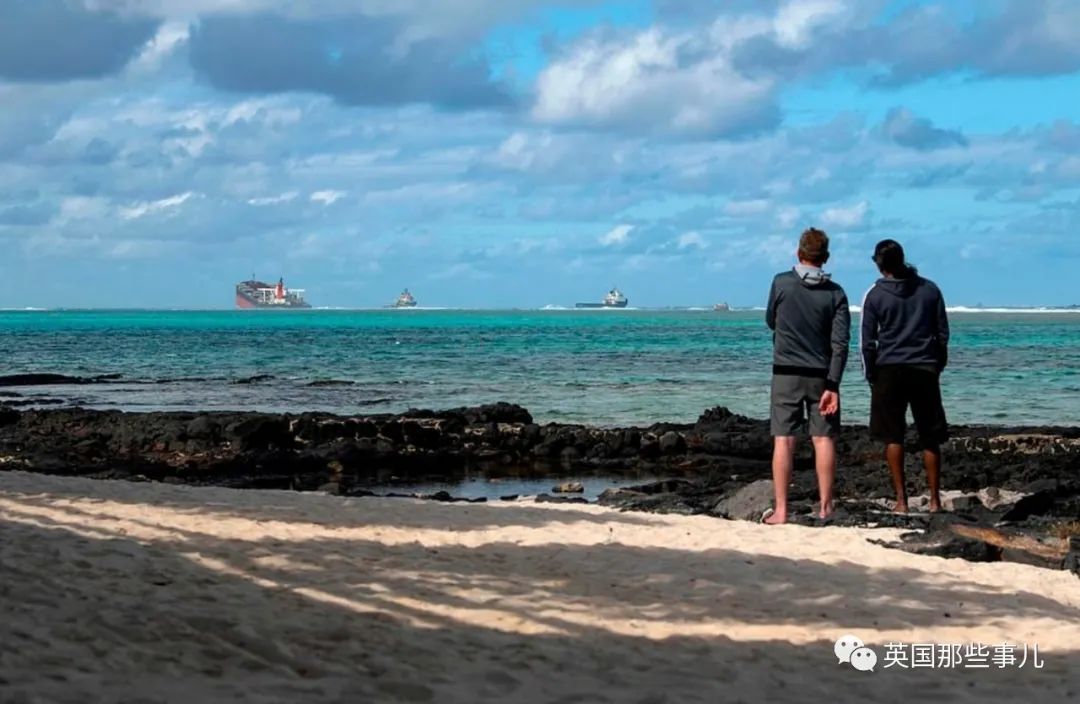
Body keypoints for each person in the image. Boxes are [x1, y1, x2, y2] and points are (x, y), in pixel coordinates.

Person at [763, 227, 851, 524]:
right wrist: (833, 384)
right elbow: (840, 344)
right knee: (823, 440)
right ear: (825, 257)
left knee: (784, 440)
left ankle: (782, 510)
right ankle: (826, 507)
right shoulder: (835, 293)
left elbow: (770, 320)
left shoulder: (781, 283)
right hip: (821, 375)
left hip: (786, 372)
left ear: (799, 253)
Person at [860, 239, 949, 513]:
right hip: (924, 368)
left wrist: (870, 374)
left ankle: (901, 501)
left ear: (879, 263)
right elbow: (942, 334)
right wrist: (936, 365)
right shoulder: (930, 289)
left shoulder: (875, 295)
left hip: (889, 370)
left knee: (893, 437)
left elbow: (867, 342)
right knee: (930, 436)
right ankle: (934, 500)